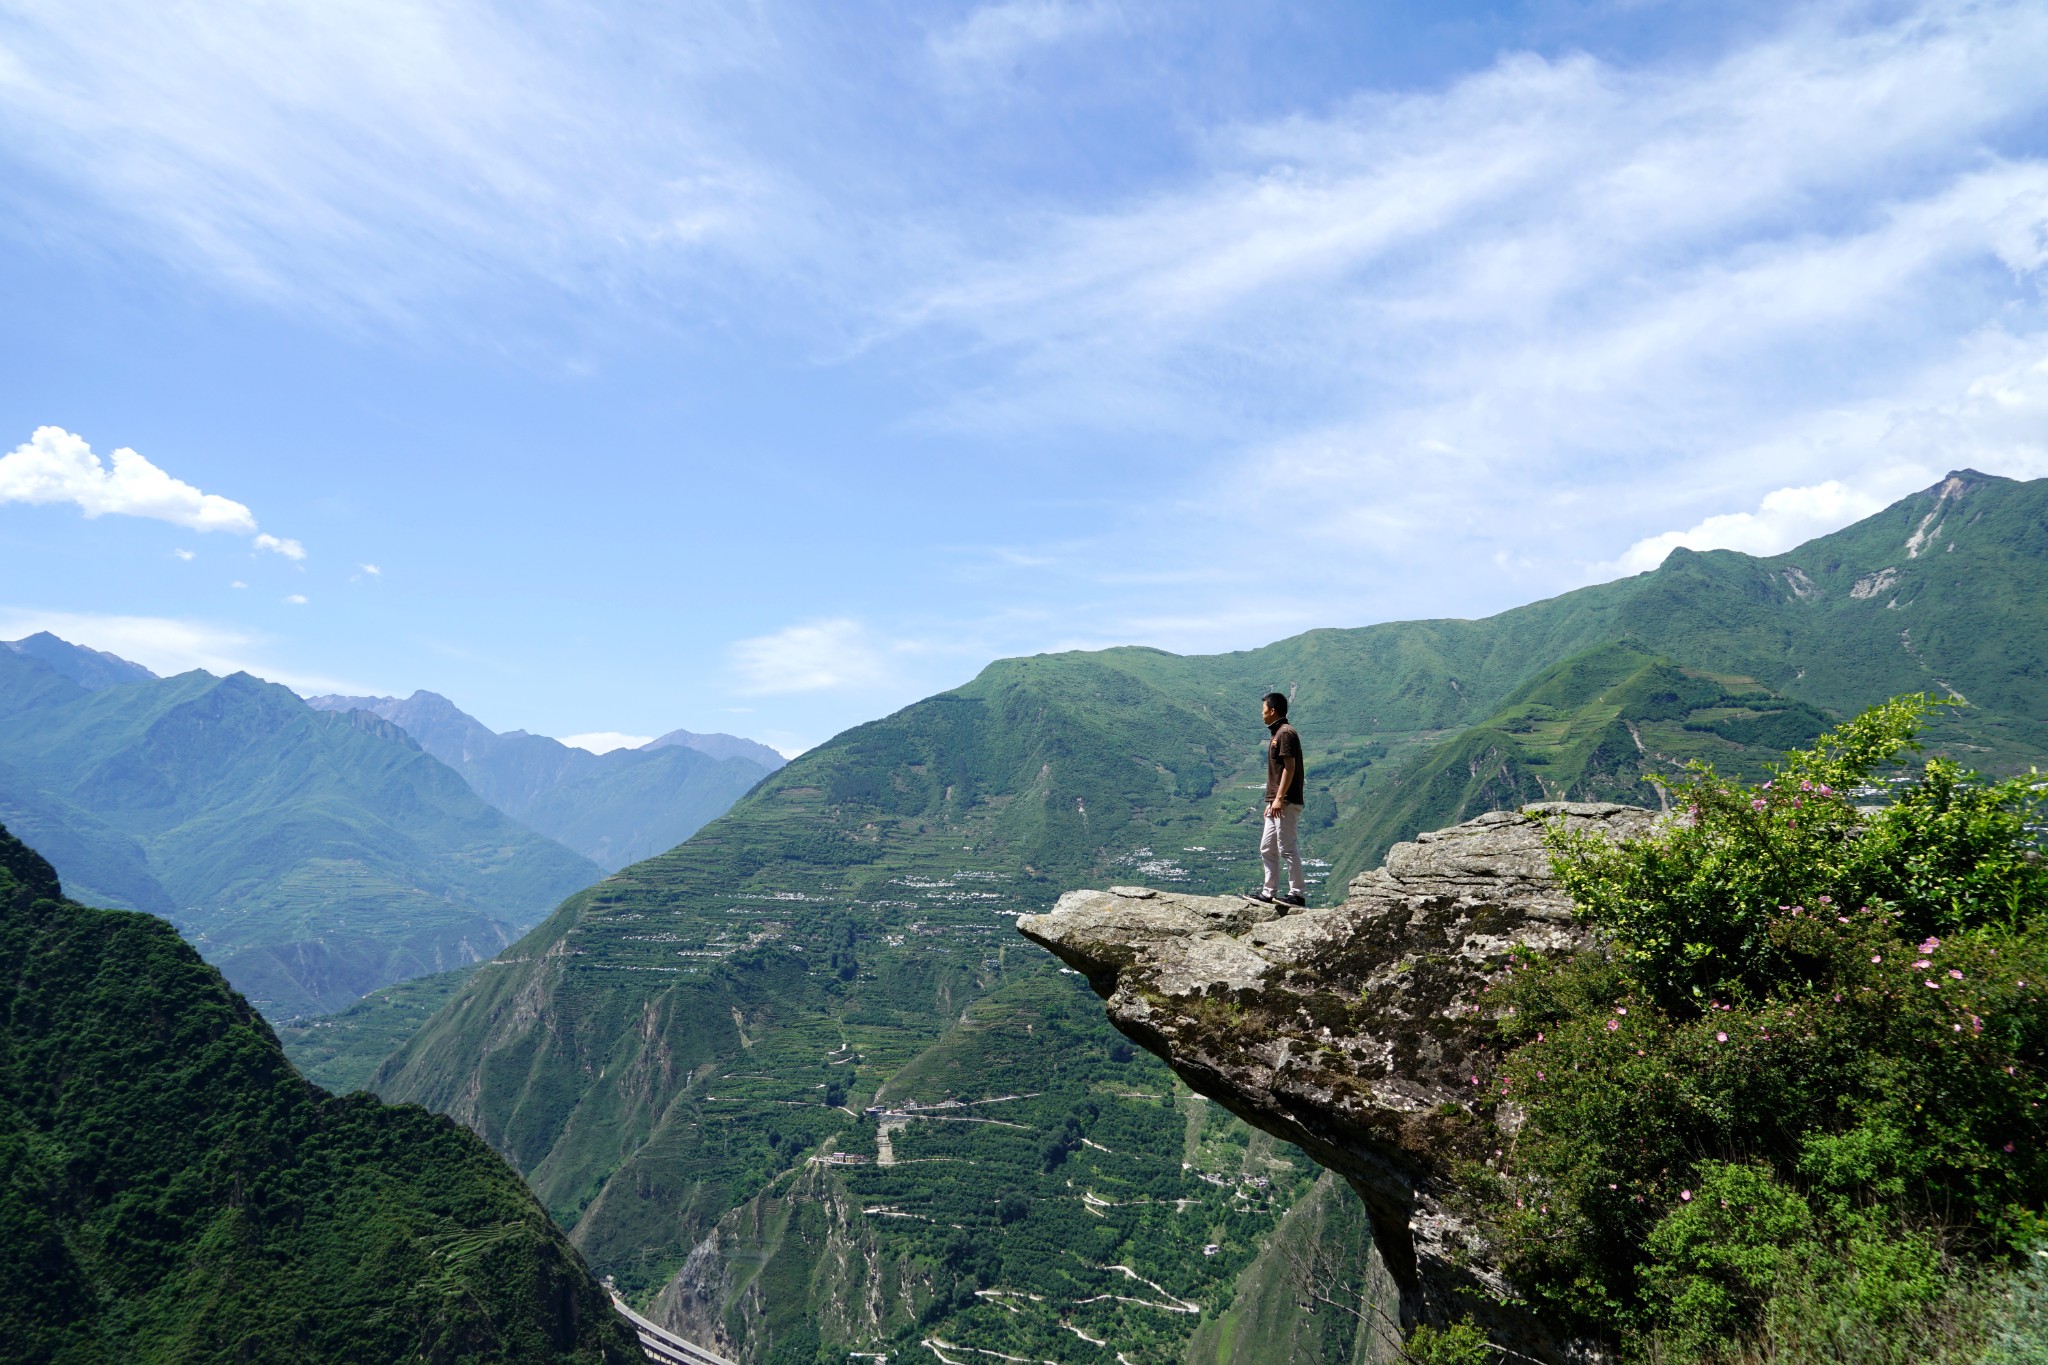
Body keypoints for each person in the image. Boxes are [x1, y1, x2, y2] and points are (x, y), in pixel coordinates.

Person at [1255, 691, 1306, 907]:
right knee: (1267, 847)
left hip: (1285, 801)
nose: (1262, 713)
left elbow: (1289, 768)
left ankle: (1297, 894)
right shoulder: (1278, 733)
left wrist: (1279, 799)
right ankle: (1269, 892)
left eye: (1264, 709)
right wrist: (1271, 801)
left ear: (1272, 710)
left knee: (1287, 847)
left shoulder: (1285, 733)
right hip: (1276, 801)